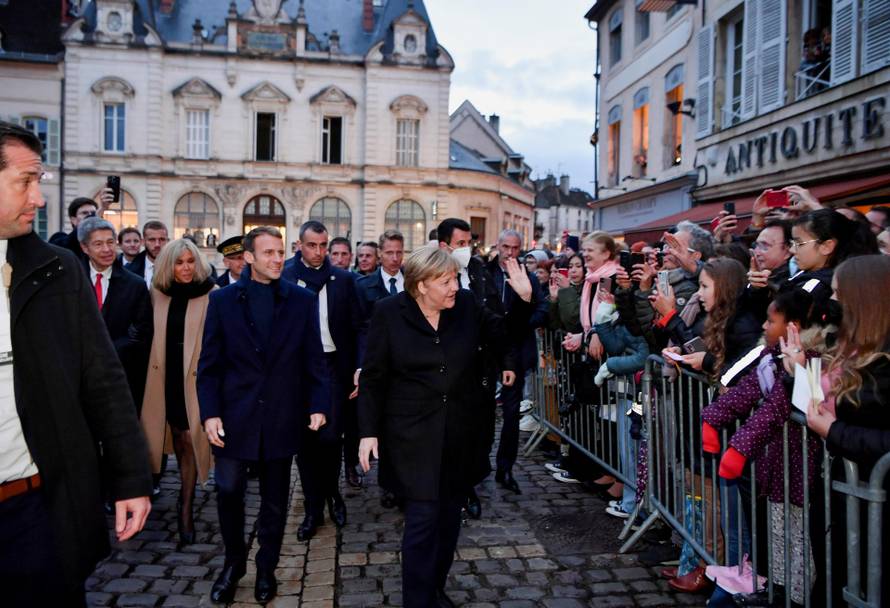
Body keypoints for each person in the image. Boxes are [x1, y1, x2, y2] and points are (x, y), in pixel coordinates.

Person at [0, 120, 151, 606]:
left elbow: (102, 378)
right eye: (25, 182)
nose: (38, 199)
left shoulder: (56, 271)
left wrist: (131, 479)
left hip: (34, 505)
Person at [358, 247, 533, 608]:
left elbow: (503, 335)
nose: (456, 286)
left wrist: (522, 299)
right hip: (411, 435)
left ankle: (435, 588)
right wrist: (367, 432)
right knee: (422, 520)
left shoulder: (466, 306)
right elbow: (374, 377)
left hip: (460, 433)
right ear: (421, 286)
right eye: (446, 281)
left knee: (449, 520)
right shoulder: (389, 313)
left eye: (455, 278)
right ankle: (417, 601)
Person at [198, 227, 329, 604]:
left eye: (279, 252)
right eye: (268, 253)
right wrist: (210, 414)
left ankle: (267, 567)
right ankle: (234, 563)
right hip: (234, 416)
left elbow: (313, 359)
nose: (276, 259)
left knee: (274, 501)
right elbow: (210, 366)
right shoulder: (222, 301)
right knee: (228, 491)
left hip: (281, 416)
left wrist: (319, 404)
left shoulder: (302, 300)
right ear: (249, 257)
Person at [803, 254, 890, 606]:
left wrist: (834, 431)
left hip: (874, 506)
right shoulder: (854, 349)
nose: (832, 301)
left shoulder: (882, 364)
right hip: (849, 498)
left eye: (839, 293)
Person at [282, 221, 363, 541]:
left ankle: (333, 493)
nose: (318, 252)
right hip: (298, 371)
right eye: (312, 245)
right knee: (306, 444)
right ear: (299, 245)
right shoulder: (286, 276)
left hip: (333, 368)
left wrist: (359, 367)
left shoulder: (344, 280)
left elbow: (359, 327)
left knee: (331, 438)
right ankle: (314, 507)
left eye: (323, 246)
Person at [140, 238, 215, 548]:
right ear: (168, 265)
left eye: (190, 261)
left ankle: (185, 507)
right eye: (179, 262)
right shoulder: (156, 294)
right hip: (162, 380)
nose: (186, 268)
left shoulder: (212, 295)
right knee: (161, 437)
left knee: (187, 441)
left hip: (193, 382)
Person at [437, 217, 503, 519]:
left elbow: (496, 318)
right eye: (460, 244)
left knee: (478, 433)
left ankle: (468, 484)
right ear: (444, 246)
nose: (467, 249)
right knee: (449, 433)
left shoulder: (478, 271)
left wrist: (508, 362)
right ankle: (447, 487)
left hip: (480, 368)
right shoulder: (430, 275)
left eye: (469, 243)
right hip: (445, 370)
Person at [485, 229, 548, 494]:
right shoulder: (483, 273)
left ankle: (505, 468)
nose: (510, 252)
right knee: (483, 410)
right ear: (497, 246)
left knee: (511, 414)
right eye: (506, 246)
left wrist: (520, 325)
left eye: (515, 247)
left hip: (516, 350)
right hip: (486, 349)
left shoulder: (528, 277)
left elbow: (543, 309)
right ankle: (478, 464)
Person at [78, 216, 153, 412]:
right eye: (98, 244)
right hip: (79, 378)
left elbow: (142, 331)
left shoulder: (135, 284)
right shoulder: (72, 282)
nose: (107, 249)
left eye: (110, 242)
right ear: (85, 248)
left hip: (121, 376)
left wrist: (109, 352)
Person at [49, 193, 113, 259]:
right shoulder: (60, 240)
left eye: (93, 213)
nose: (90, 217)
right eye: (85, 213)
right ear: (73, 220)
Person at [126, 220, 169, 287]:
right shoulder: (129, 271)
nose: (157, 244)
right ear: (143, 242)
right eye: (152, 240)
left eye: (162, 239)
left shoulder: (177, 268)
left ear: (167, 241)